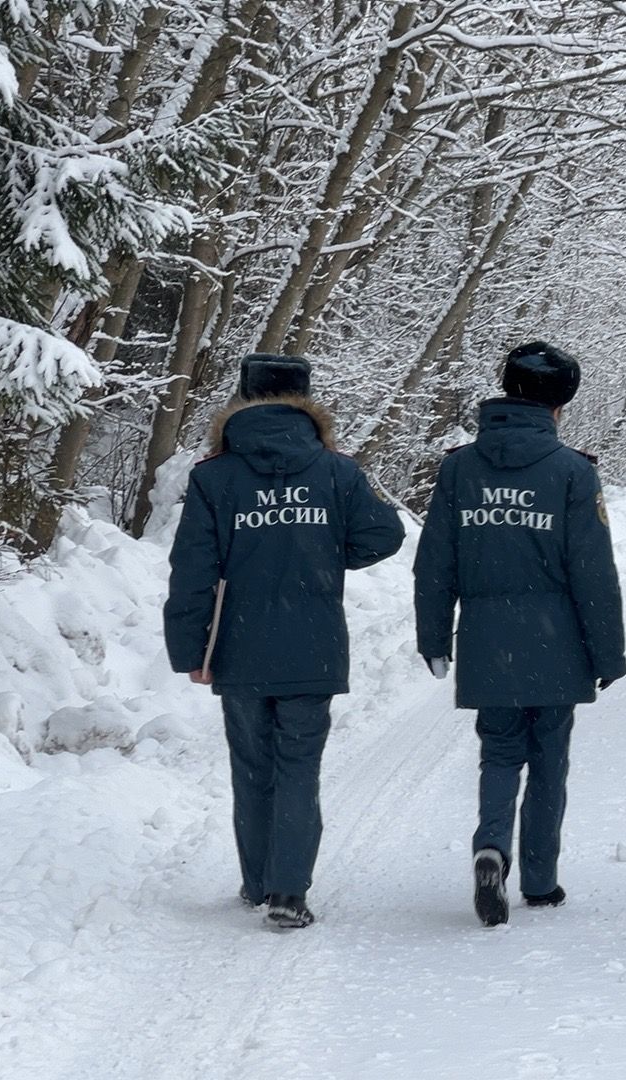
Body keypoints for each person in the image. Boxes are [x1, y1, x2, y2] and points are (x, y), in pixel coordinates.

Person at [165, 353, 405, 931]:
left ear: (243, 400)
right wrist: (330, 551)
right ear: (306, 401)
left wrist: (189, 650)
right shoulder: (335, 472)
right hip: (313, 644)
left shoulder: (214, 476)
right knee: (298, 766)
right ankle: (288, 892)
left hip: (240, 646)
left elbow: (192, 569)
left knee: (251, 765)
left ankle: (256, 881)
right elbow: (386, 533)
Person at [414, 341, 626, 928]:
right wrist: (607, 651)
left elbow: (435, 561)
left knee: (500, 751)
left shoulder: (459, 467)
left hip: (487, 639)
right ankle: (539, 879)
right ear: (561, 405)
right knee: (550, 758)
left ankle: (490, 848)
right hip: (555, 643)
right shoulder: (572, 472)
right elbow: (593, 571)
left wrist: (435, 637)